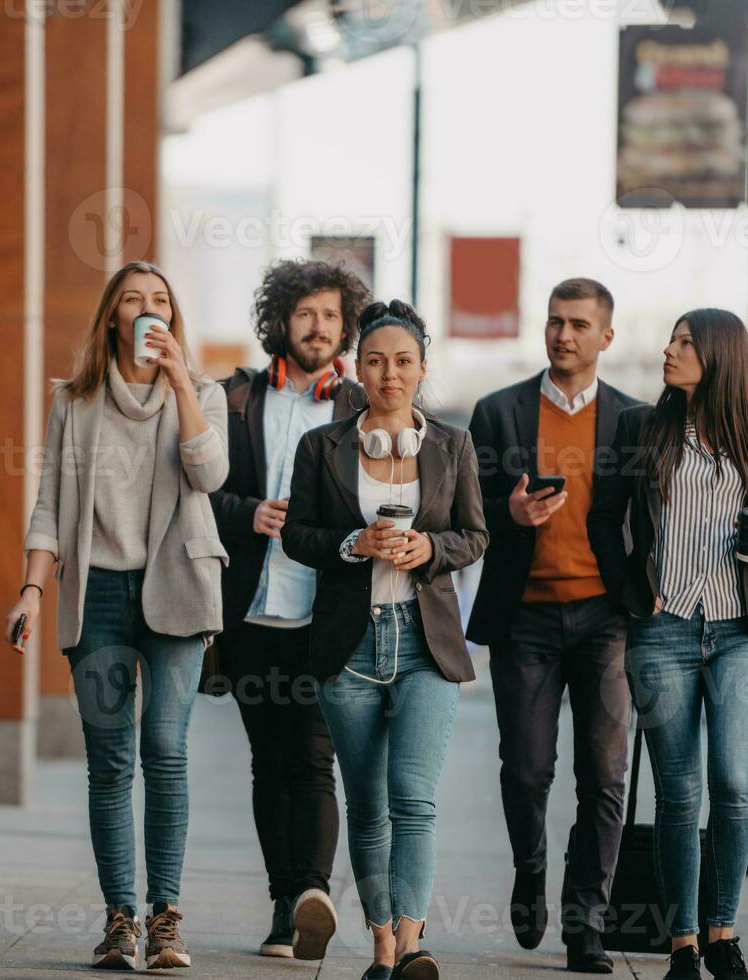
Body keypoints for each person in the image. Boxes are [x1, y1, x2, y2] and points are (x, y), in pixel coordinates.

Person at [6, 260, 230, 971]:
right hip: (98, 593)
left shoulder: (205, 395)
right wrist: (33, 589)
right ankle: (120, 920)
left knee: (166, 751)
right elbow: (48, 505)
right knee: (110, 762)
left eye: (160, 300)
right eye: (133, 300)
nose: (146, 309)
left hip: (178, 587)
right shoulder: (73, 402)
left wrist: (180, 383)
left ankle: (166, 917)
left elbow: (210, 475)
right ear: (112, 317)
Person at [281, 299, 488, 980]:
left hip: (426, 644)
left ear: (422, 368)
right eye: (375, 361)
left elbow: (475, 536)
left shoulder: (453, 446)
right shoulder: (322, 447)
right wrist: (353, 542)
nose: (389, 374)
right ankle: (380, 946)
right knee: (367, 806)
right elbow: (296, 535)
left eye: (403, 361)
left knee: (413, 799)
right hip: (350, 648)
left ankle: (413, 943)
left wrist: (429, 546)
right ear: (357, 368)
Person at [587, 309, 748, 980]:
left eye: (684, 343)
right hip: (663, 629)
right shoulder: (640, 428)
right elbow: (602, 519)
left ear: (720, 358)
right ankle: (682, 944)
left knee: (734, 783)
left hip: (739, 631)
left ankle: (723, 931)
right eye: (670, 339)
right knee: (679, 792)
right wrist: (631, 597)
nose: (669, 351)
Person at [466, 278, 642, 973]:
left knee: (605, 776)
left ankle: (587, 924)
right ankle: (530, 868)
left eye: (577, 324)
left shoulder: (634, 419)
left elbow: (649, 521)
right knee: (528, 767)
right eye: (553, 322)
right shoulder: (499, 412)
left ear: (605, 337)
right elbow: (467, 508)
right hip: (526, 617)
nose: (562, 335)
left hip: (605, 616)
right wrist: (507, 514)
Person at [209, 259, 370, 961]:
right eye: (305, 314)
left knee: (311, 756)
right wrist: (248, 514)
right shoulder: (235, 398)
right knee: (265, 763)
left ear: (346, 326)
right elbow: (197, 492)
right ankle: (285, 907)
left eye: (331, 315)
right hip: (249, 614)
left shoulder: (361, 406)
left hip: (323, 615)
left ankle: (313, 893)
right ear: (281, 321)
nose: (318, 327)